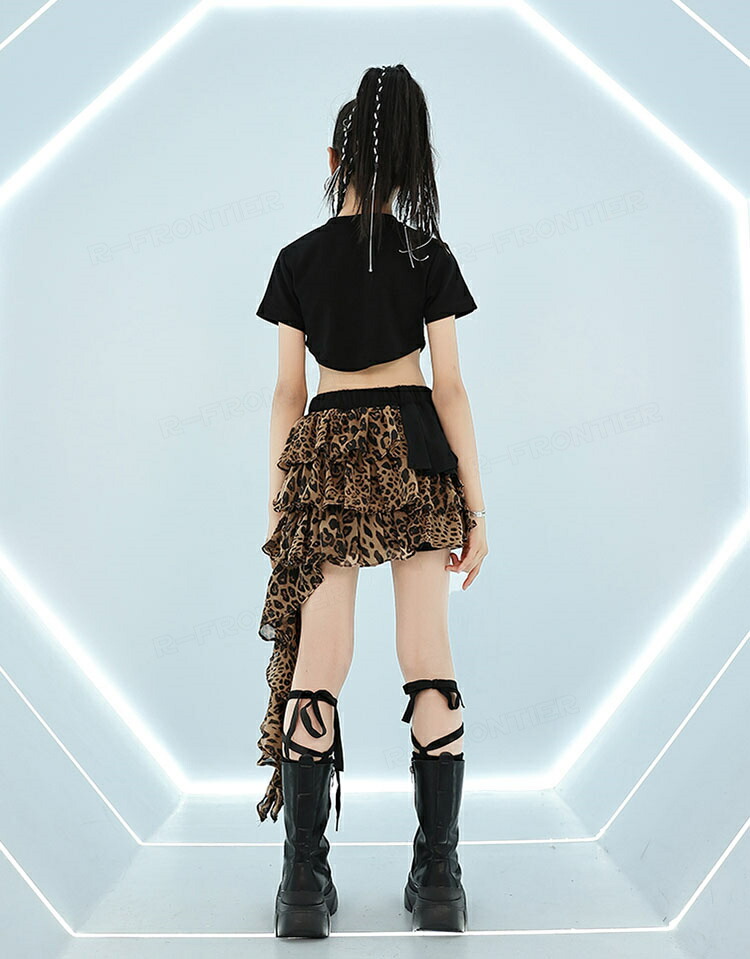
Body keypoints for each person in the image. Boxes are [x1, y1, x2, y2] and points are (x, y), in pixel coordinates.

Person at [254, 63, 488, 938]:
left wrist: (280, 506)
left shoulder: (297, 260)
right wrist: (476, 509)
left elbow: (288, 394)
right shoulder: (429, 255)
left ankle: (302, 883)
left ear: (334, 160)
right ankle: (439, 877)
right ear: (406, 170)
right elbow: (450, 388)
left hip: (328, 457)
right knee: (427, 654)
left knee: (322, 660)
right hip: (416, 452)